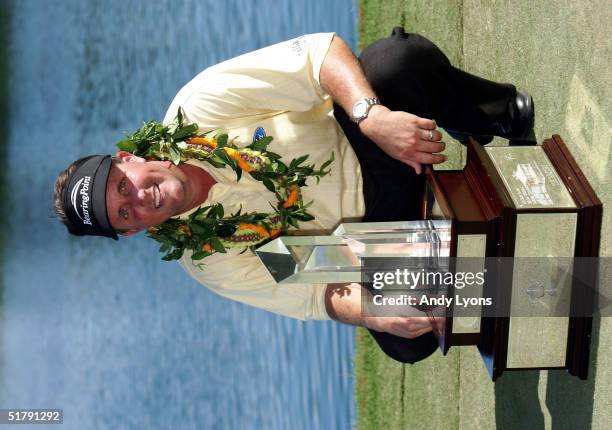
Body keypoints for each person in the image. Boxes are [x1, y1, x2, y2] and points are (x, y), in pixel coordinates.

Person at [53, 27, 535, 364]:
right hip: (363, 232)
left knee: (394, 63)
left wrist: (372, 116)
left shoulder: (198, 107)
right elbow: (318, 279)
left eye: (122, 185)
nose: (139, 198)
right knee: (404, 329)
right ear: (134, 230)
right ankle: (528, 284)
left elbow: (318, 55)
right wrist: (373, 309)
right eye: (124, 213)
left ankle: (491, 114)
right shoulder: (209, 257)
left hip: (364, 143)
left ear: (128, 158)